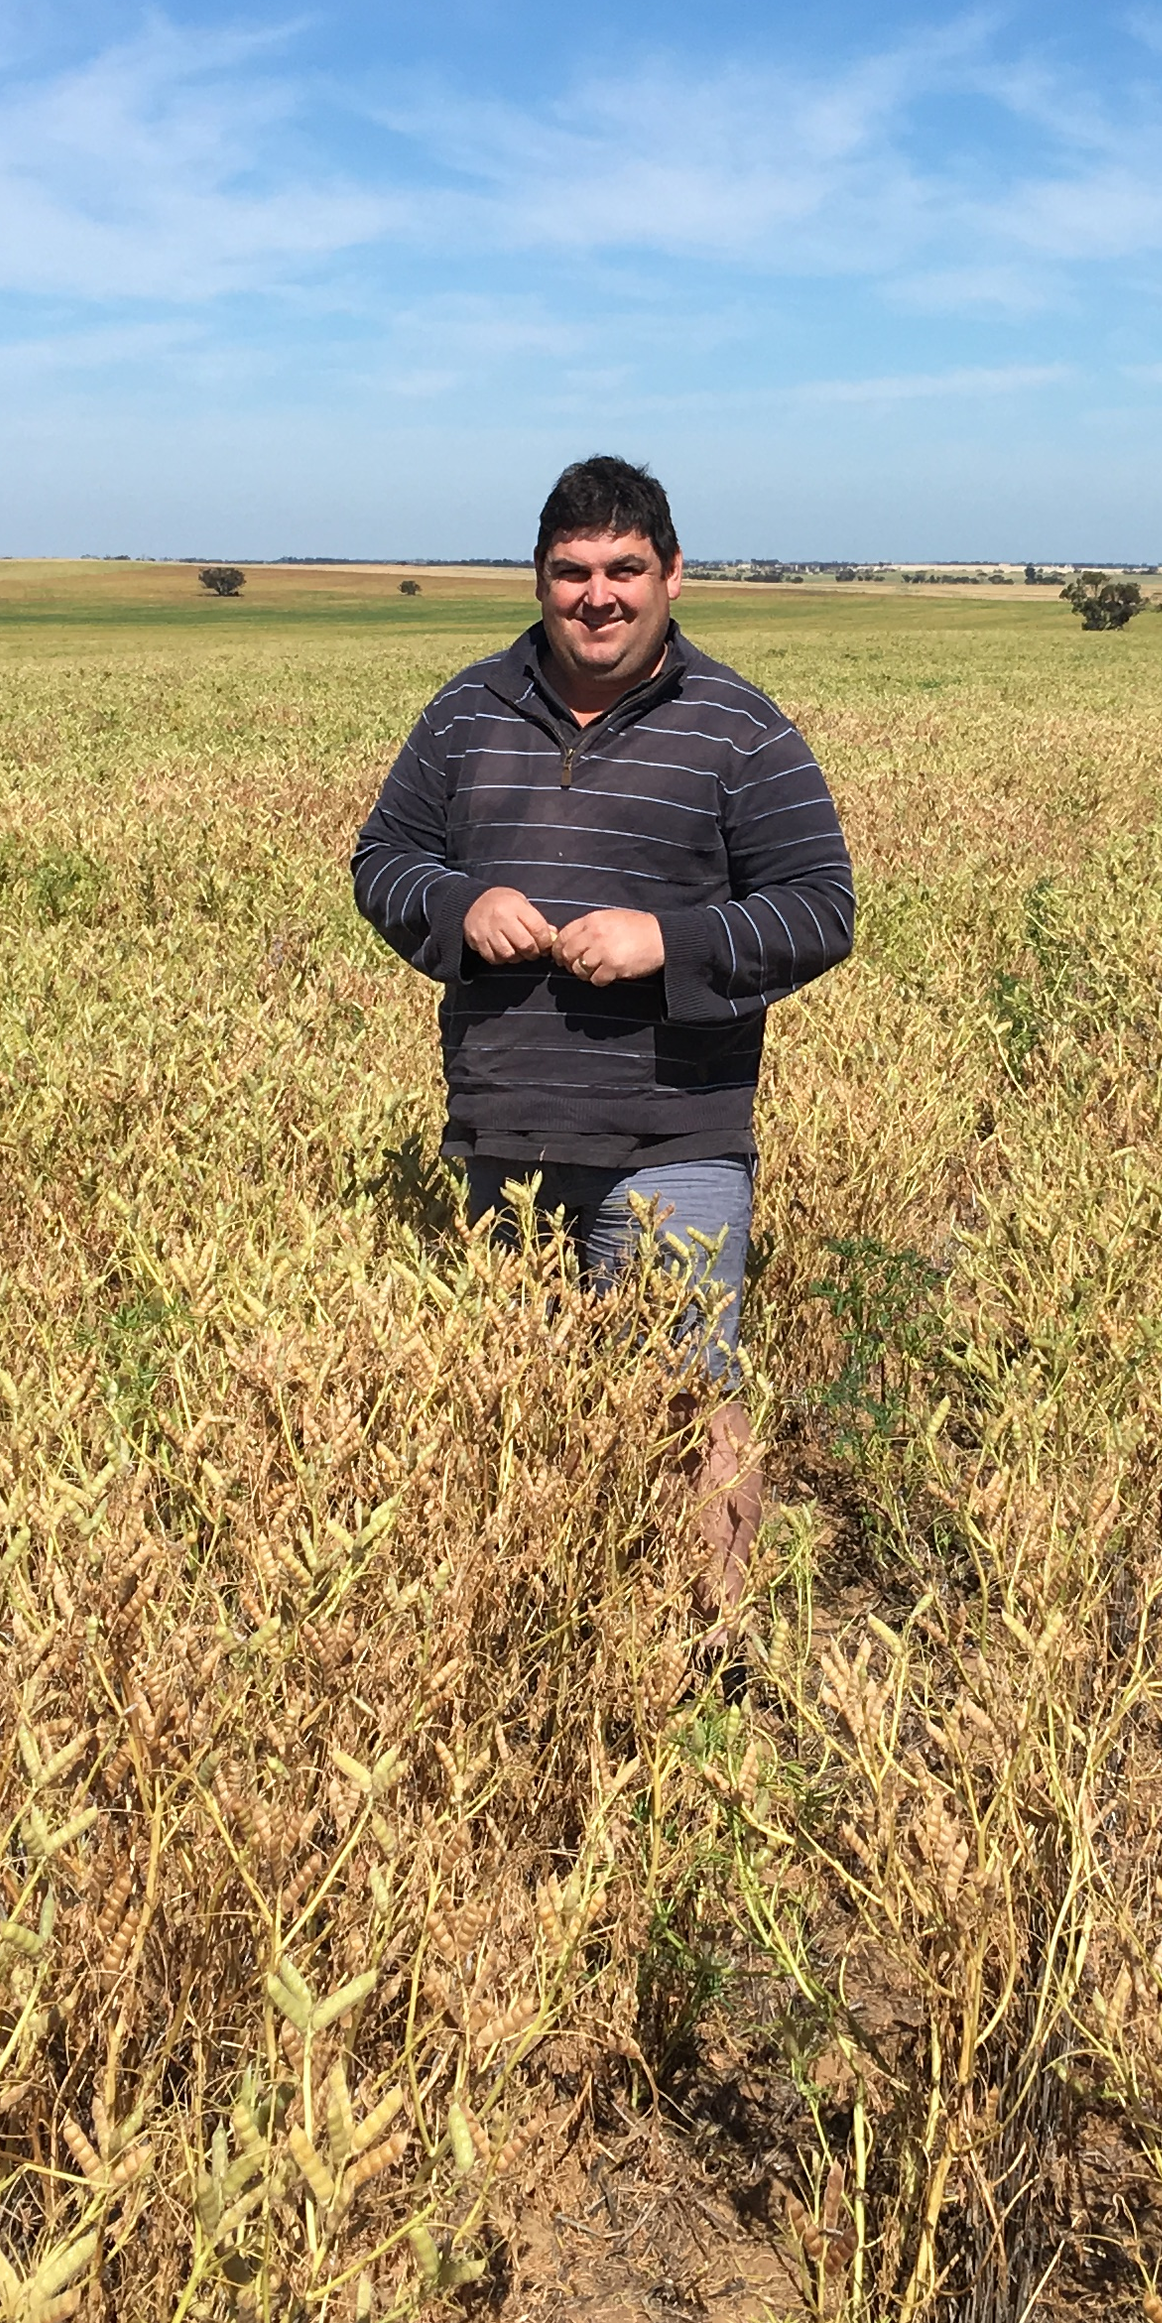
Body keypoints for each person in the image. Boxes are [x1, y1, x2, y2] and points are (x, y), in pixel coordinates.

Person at [350, 457, 855, 1619]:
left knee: (687, 1402)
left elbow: (820, 908)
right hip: (502, 1135)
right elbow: (382, 862)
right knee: (518, 1407)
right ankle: (552, 1642)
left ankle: (710, 1652)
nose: (598, 595)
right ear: (537, 580)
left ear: (673, 576)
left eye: (625, 569)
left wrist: (668, 943)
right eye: (572, 571)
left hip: (671, 1136)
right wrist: (455, 908)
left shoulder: (739, 729)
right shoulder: (466, 711)